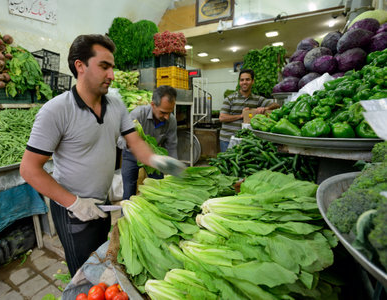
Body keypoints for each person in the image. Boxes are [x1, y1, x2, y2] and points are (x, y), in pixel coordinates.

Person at [19, 34, 185, 276]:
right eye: (104, 67)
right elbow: (29, 169)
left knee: (101, 262)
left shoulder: (116, 105)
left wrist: (156, 160)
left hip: (103, 205)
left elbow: (134, 141)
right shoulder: (56, 111)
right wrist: (73, 202)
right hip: (72, 212)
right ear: (80, 66)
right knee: (82, 275)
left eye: (112, 67)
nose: (112, 75)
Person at [120, 85, 178, 200]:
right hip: (131, 155)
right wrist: (133, 142)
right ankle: (125, 215)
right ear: (153, 105)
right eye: (163, 112)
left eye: (169, 112)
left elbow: (171, 146)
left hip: (154, 156)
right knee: (129, 189)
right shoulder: (137, 115)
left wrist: (173, 168)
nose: (167, 117)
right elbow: (120, 140)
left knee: (158, 188)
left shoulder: (171, 120)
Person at [219, 68, 280, 152]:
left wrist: (265, 108)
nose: (244, 82)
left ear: (252, 81)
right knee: (227, 163)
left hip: (247, 140)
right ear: (239, 82)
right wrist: (241, 115)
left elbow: (276, 105)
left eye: (247, 79)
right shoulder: (230, 99)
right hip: (227, 139)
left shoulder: (257, 99)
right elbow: (222, 117)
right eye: (242, 80)